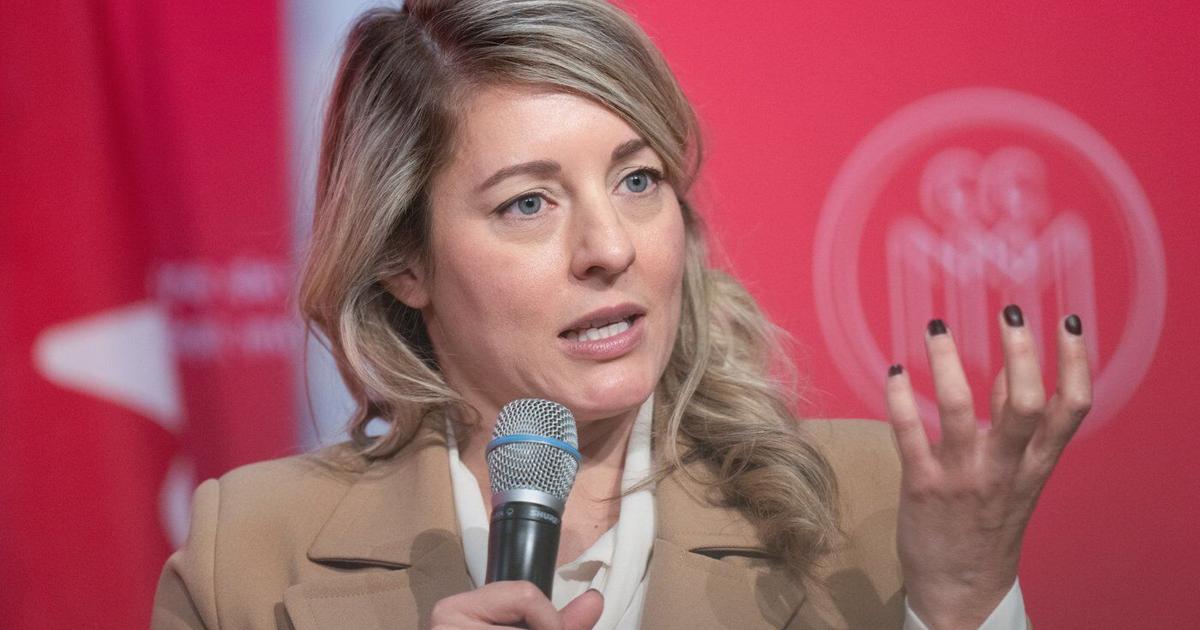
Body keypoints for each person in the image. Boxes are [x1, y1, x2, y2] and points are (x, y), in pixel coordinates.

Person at [151, 1, 1092, 628]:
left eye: (637, 180)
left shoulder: (876, 506)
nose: (610, 247)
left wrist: (960, 603)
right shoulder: (251, 553)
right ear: (405, 261)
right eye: (528, 203)